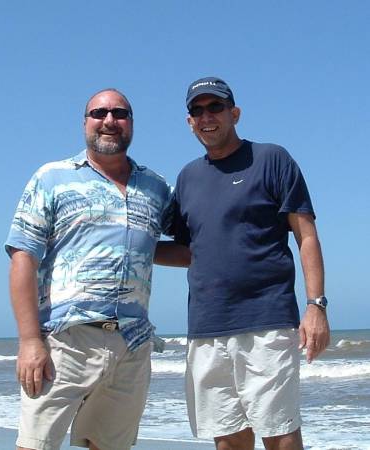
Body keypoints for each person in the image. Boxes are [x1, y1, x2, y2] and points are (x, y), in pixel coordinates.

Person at [155, 77, 330, 450]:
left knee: (280, 432)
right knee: (228, 438)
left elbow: (306, 235)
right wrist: (132, 250)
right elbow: (188, 251)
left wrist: (316, 305)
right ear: (189, 122)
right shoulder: (187, 178)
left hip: (266, 321)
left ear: (234, 113)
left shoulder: (272, 159)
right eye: (197, 110)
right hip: (206, 326)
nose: (207, 117)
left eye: (215, 107)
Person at [5, 88, 174, 450]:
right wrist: (29, 341)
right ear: (85, 123)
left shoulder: (157, 188)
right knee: (35, 445)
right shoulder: (52, 178)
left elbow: (197, 240)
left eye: (119, 113)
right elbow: (23, 257)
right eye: (99, 113)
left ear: (131, 123)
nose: (109, 121)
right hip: (65, 341)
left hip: (132, 343)